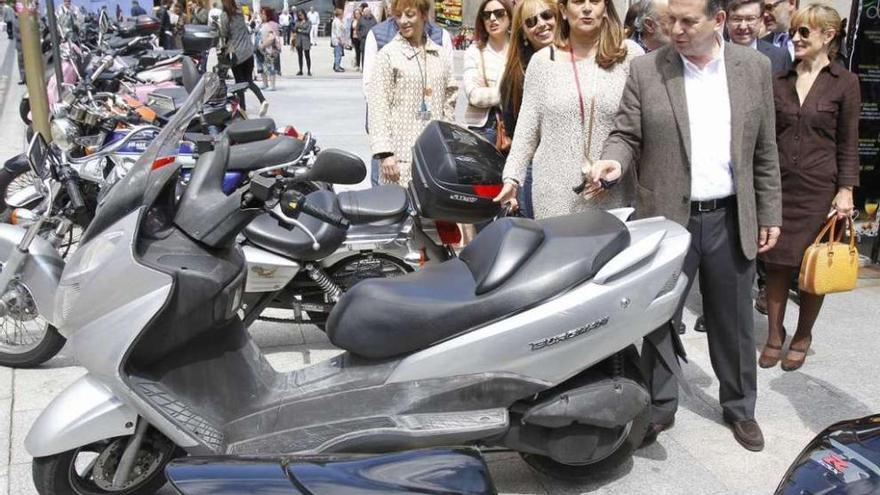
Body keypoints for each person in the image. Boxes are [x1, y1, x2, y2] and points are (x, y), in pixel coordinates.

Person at [591, 0, 782, 452]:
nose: (674, 29)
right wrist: (613, 162)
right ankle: (660, 407)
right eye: (669, 20)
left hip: (730, 215)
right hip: (667, 219)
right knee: (659, 317)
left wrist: (770, 211)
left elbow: (765, 149)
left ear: (718, 21)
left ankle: (739, 407)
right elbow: (625, 134)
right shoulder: (648, 69)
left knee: (732, 320)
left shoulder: (752, 68)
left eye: (686, 21)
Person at [758, 4, 859, 372]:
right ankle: (773, 335)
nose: (796, 39)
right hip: (780, 187)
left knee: (813, 265)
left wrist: (846, 189)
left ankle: (802, 335)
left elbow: (849, 141)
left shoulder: (844, 82)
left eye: (805, 33)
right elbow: (766, 138)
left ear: (828, 36)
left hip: (820, 188)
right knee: (776, 263)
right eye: (795, 31)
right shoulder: (779, 80)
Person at [494, 0, 644, 218]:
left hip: (613, 194)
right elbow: (527, 129)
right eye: (577, 1)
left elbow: (639, 127)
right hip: (553, 196)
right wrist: (511, 179)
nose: (586, 8)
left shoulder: (628, 55)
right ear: (563, 10)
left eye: (594, 1)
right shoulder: (543, 62)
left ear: (605, 8)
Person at [362, 0, 454, 186]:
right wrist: (385, 153)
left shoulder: (440, 55)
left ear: (423, 14)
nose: (403, 21)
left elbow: (450, 98)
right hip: (397, 160)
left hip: (433, 158)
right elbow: (378, 105)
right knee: (399, 212)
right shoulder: (388, 55)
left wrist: (447, 138)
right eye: (398, 15)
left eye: (409, 15)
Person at [496, 0, 560, 219]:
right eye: (531, 22)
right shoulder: (515, 75)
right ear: (524, 32)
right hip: (536, 167)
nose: (541, 24)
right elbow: (516, 132)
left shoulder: (580, 59)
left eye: (546, 16)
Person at [462, 0, 511, 144]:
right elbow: (474, 96)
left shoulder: (519, 51)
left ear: (510, 16)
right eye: (486, 15)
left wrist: (488, 91)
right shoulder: (474, 52)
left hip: (514, 128)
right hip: (481, 129)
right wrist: (509, 95)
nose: (492, 19)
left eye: (499, 13)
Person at [219, 0, 268, 116]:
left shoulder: (225, 16)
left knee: (239, 83)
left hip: (237, 53)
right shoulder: (239, 12)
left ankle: (243, 110)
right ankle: (263, 100)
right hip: (248, 51)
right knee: (249, 80)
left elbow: (225, 33)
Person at [726, 0, 791, 72]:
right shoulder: (716, 55)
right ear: (726, 21)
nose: (743, 27)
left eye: (750, 19)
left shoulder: (780, 56)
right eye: (737, 19)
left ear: (761, 20)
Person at [259, 7, 281, 90]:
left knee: (270, 66)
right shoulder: (262, 24)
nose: (261, 15)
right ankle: (265, 83)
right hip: (263, 50)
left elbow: (272, 37)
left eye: (263, 14)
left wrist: (263, 45)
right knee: (263, 67)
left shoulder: (272, 24)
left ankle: (272, 85)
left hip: (270, 49)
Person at [357, 4, 378, 68]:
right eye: (366, 12)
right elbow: (357, 29)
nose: (367, 13)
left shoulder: (374, 19)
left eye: (368, 12)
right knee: (364, 54)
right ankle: (364, 68)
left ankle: (371, 67)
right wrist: (360, 37)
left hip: (372, 40)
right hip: (363, 39)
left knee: (372, 54)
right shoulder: (361, 19)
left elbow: (376, 28)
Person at [293, 8, 313, 75]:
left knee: (307, 56)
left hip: (306, 41)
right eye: (299, 15)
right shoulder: (297, 21)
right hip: (298, 40)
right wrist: (298, 28)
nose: (300, 16)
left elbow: (308, 31)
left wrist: (300, 30)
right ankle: (300, 70)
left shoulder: (308, 22)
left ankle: (309, 70)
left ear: (304, 14)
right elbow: (295, 29)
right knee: (300, 56)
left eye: (301, 15)